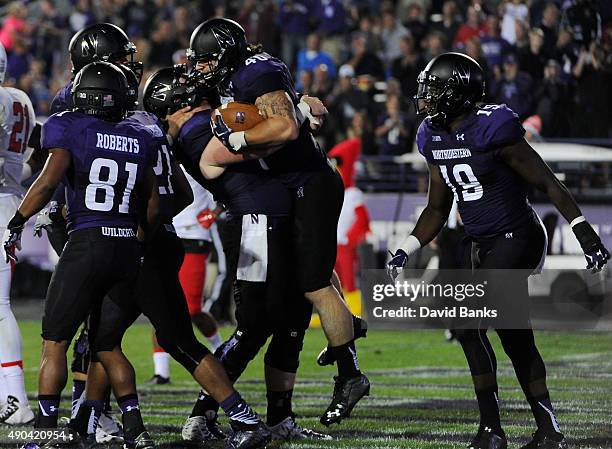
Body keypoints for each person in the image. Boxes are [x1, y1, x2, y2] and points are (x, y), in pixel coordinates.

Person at [387, 52, 609, 449]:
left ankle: (494, 431)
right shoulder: (432, 136)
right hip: (482, 244)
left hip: (518, 236)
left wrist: (582, 229)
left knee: (470, 326)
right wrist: (406, 247)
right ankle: (544, 431)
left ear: (457, 93)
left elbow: (547, 182)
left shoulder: (494, 127)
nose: (425, 98)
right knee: (511, 337)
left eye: (434, 89)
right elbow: (437, 207)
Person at [187, 18, 370, 426]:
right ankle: (348, 329)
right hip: (300, 185)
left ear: (226, 54)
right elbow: (288, 109)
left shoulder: (256, 72)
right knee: (315, 273)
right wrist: (302, 104)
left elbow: (284, 126)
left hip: (310, 184)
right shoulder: (247, 72)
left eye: (206, 60)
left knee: (314, 284)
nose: (201, 69)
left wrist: (240, 138)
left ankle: (350, 374)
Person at [142, 67, 332, 443]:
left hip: (273, 220)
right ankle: (203, 413)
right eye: (184, 86)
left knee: (292, 318)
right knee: (254, 325)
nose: (193, 83)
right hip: (254, 222)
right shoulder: (198, 129)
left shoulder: (204, 121)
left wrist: (293, 106)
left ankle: (280, 417)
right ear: (174, 102)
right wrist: (295, 111)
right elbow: (273, 136)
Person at [4, 61, 160, 449]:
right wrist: (137, 237)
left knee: (54, 341)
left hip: (87, 244)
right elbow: (153, 202)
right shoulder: (140, 133)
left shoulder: (72, 126)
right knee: (108, 345)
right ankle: (136, 430)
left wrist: (17, 221)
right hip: (126, 246)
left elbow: (48, 180)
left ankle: (43, 433)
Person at [148, 169, 223, 385]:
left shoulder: (194, 155)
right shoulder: (157, 152)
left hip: (193, 236)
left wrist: (215, 212)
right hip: (165, 233)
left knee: (192, 309)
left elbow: (226, 188)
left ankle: (220, 349)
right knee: (159, 304)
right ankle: (161, 371)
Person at [0, 41, 36, 426]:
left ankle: (14, 397)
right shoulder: (20, 98)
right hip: (8, 201)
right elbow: (30, 156)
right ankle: (7, 395)